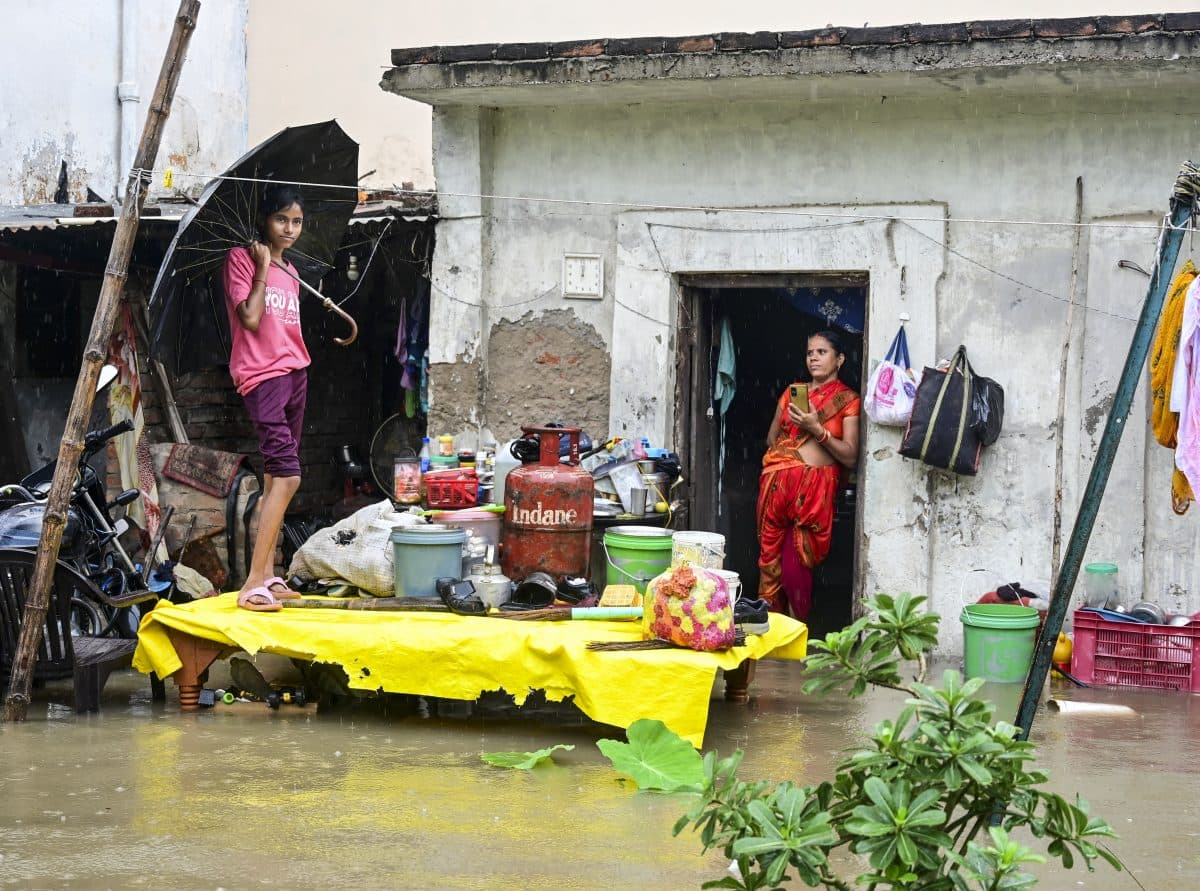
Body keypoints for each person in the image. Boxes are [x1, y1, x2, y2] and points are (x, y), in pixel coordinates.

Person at [223, 184, 310, 611]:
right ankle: (252, 582)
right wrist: (261, 267)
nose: (289, 229)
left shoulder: (292, 272)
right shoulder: (240, 259)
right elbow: (252, 318)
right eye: (281, 219)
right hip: (263, 376)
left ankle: (270, 574)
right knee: (289, 476)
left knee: (277, 478)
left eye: (296, 222)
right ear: (264, 220)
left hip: (296, 373)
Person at [756, 330, 860, 619]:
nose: (813, 358)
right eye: (809, 352)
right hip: (775, 491)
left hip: (811, 499)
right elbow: (772, 439)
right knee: (769, 564)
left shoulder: (848, 400)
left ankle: (795, 629)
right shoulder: (792, 393)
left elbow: (850, 455)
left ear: (840, 359)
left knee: (796, 567)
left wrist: (816, 429)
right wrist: (790, 458)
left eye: (821, 352)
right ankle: (772, 632)